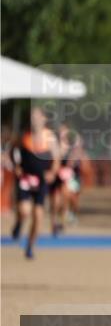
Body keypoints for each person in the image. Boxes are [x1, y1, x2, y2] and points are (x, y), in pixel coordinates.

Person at [10, 109, 60, 259]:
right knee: (24, 211)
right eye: (32, 116)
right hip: (25, 179)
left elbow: (57, 159)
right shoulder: (23, 135)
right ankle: (19, 223)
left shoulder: (50, 137)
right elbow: (13, 152)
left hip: (41, 181)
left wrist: (52, 172)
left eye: (38, 116)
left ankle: (30, 246)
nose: (35, 119)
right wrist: (17, 166)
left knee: (38, 216)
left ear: (44, 119)